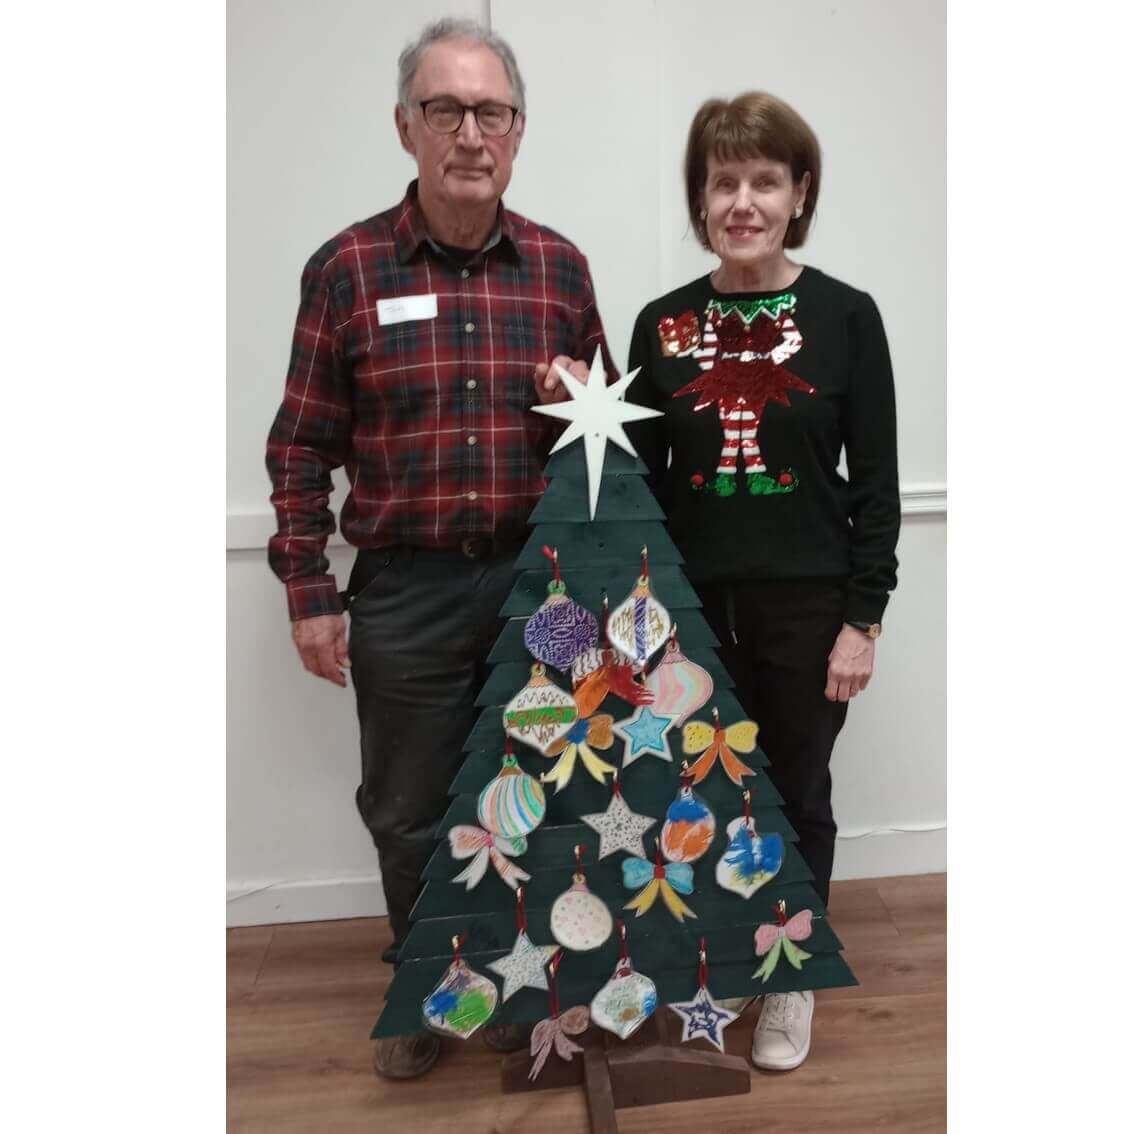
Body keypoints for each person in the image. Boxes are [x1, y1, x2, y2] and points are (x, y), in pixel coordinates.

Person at [264, 18, 614, 1080]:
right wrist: (310, 593)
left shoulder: (559, 265)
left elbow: (601, 452)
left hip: (534, 589)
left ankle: (511, 984)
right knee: (410, 807)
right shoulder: (348, 267)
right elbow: (299, 447)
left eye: (491, 111)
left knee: (536, 783)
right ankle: (427, 983)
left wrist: (574, 408)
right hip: (404, 592)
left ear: (518, 130)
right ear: (406, 127)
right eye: (446, 109)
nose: (471, 133)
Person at [626, 91, 899, 1072]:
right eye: (723, 180)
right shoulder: (662, 329)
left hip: (806, 608)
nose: (743, 201)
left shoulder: (844, 319)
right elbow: (638, 485)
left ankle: (792, 971)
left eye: (765, 181)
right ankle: (743, 949)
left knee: (795, 794)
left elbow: (875, 487)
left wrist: (861, 619)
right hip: (695, 616)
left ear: (800, 194)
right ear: (701, 197)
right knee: (708, 791)